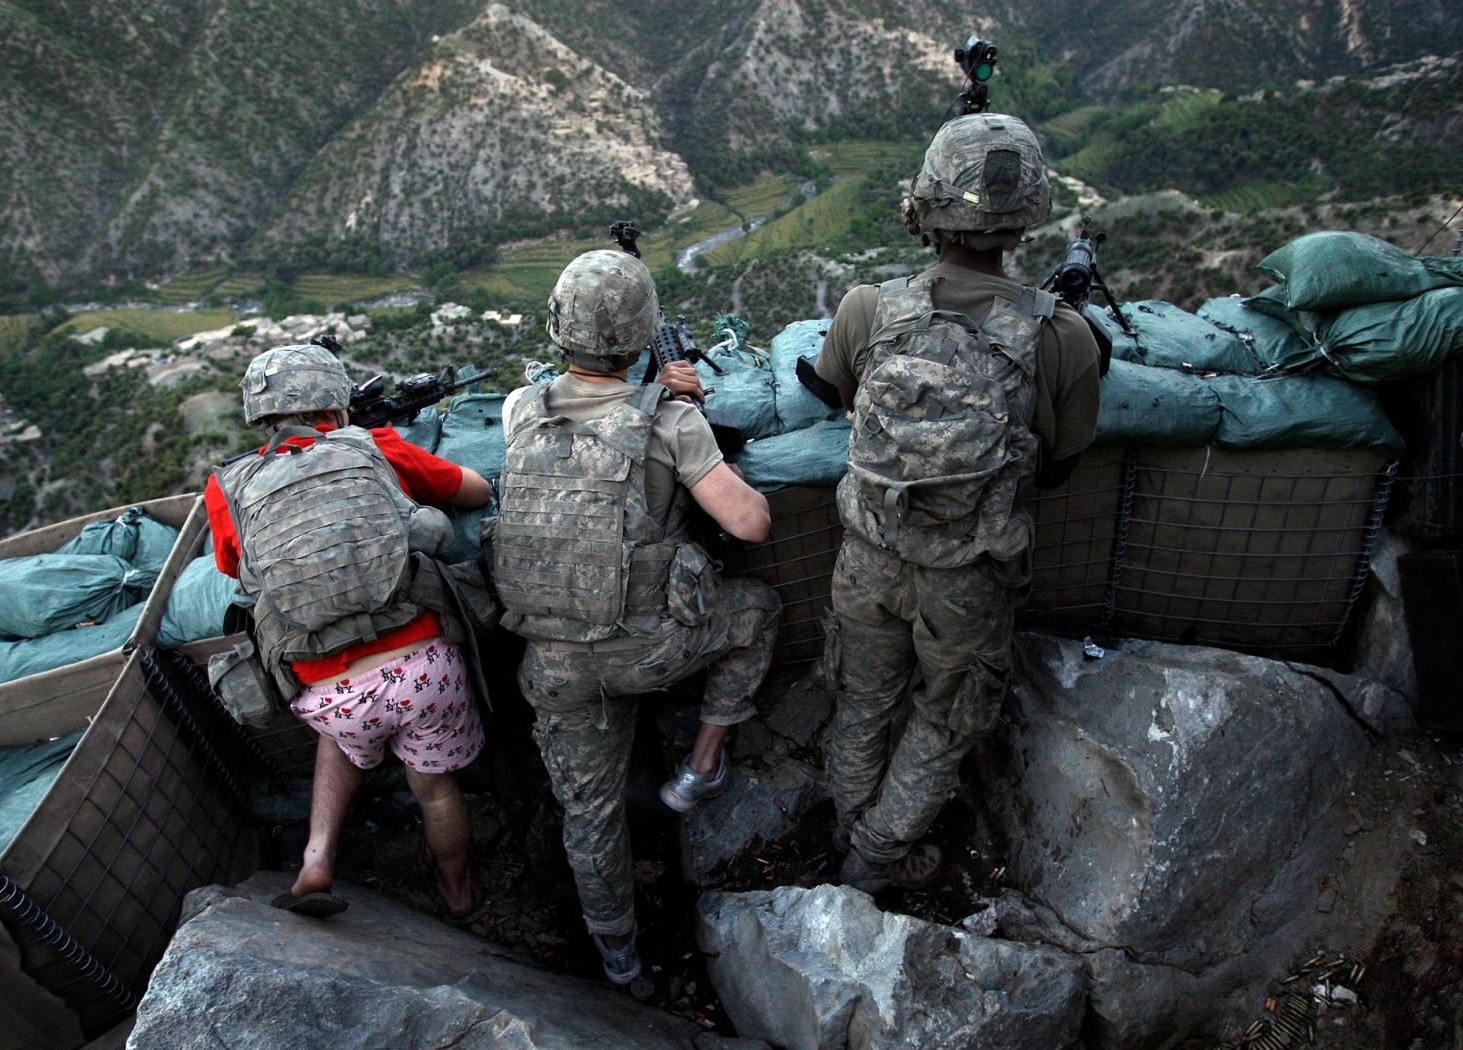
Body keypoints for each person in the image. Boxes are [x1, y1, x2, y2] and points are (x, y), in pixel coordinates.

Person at [814, 113, 1101, 893]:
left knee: (864, 697)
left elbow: (841, 395)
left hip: (868, 553)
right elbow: (1061, 468)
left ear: (926, 206)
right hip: (968, 575)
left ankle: (849, 821)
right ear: (1027, 211)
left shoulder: (868, 307)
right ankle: (874, 858)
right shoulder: (1062, 337)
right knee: (947, 716)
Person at [493, 249, 781, 986]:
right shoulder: (670, 422)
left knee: (588, 815)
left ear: (559, 329)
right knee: (757, 612)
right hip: (647, 648)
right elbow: (749, 523)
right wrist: (678, 410)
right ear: (643, 335)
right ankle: (700, 769)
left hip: (552, 664)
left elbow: (590, 433)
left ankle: (620, 964)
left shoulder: (519, 411)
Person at [204, 343, 492, 919]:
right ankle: (458, 893)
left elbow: (236, 566)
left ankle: (317, 859)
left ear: (259, 419)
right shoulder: (375, 446)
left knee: (339, 739)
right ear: (336, 410)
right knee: (434, 789)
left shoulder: (228, 487)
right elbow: (475, 489)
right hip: (423, 667)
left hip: (327, 691)